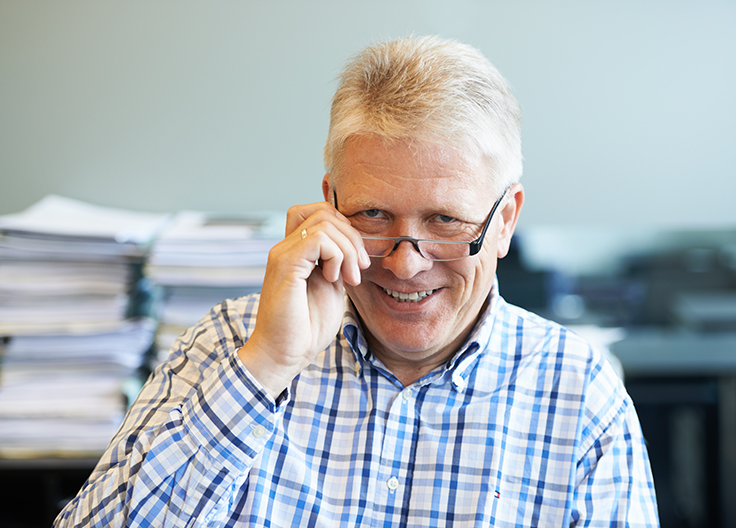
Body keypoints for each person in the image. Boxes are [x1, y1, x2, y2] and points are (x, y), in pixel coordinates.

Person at [55, 36, 659, 527]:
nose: (405, 264)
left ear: (504, 222)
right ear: (328, 205)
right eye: (372, 216)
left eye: (445, 221)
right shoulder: (228, 343)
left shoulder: (580, 395)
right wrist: (265, 365)